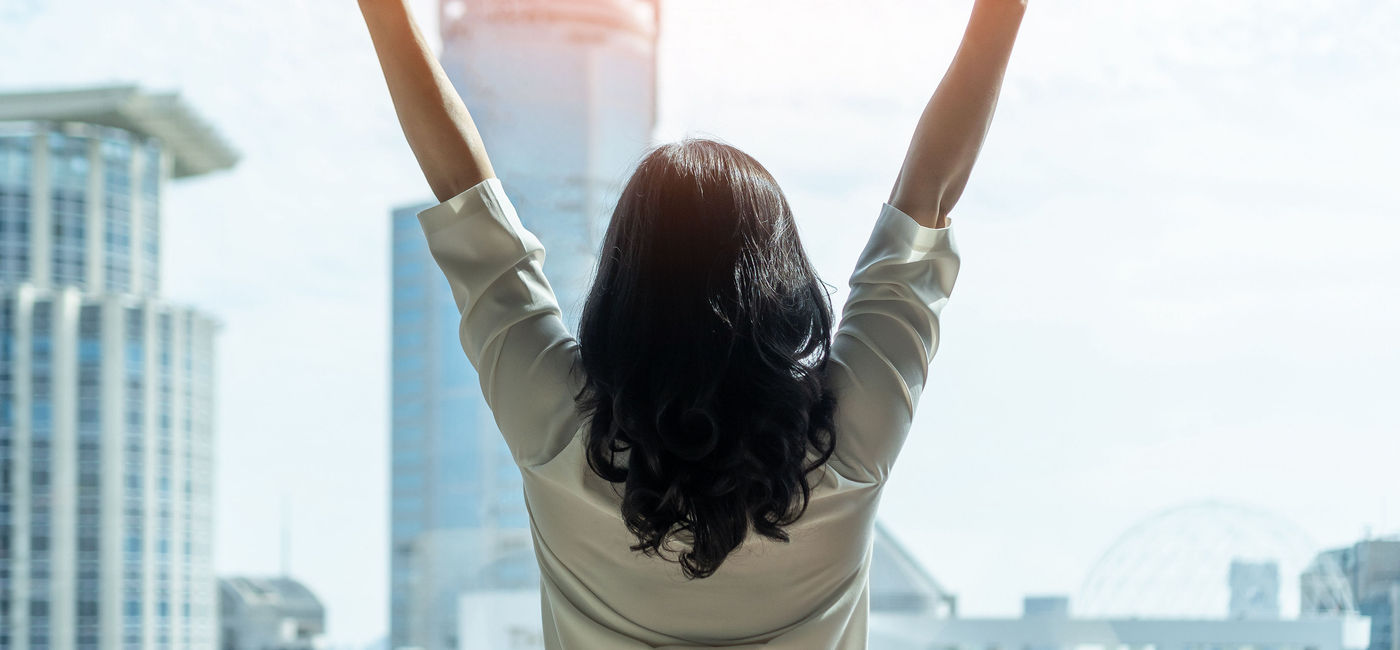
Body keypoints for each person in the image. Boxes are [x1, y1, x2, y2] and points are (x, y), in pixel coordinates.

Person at [360, 0, 1026, 647]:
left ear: (622, 284)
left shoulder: (556, 430)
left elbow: (463, 192)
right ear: (782, 278)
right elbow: (928, 197)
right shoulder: (848, 439)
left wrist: (382, 10)